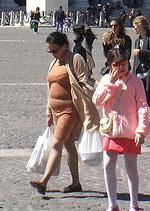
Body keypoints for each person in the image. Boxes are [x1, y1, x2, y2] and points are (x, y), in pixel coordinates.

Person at [30, 32, 99, 195]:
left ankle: (43, 182)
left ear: (65, 46)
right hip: (56, 111)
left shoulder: (75, 59)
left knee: (57, 142)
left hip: (70, 110)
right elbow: (49, 88)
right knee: (68, 144)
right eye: (49, 51)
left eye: (54, 50)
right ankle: (76, 183)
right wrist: (48, 110)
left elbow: (84, 81)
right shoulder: (54, 62)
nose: (52, 54)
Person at [93, 49, 150, 211]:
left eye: (124, 63)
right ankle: (112, 204)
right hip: (111, 130)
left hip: (130, 130)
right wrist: (110, 83)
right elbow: (97, 100)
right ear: (110, 66)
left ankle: (134, 204)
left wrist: (141, 130)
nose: (121, 67)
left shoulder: (136, 82)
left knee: (131, 168)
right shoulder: (106, 80)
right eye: (117, 64)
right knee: (108, 165)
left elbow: (143, 107)